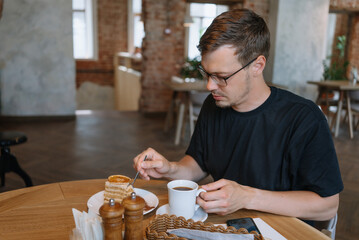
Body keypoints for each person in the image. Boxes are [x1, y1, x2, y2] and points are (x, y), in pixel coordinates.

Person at [133, 9, 343, 223]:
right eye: (206, 73)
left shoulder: (303, 118)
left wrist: (246, 197)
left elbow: (327, 206)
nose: (209, 85)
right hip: (225, 228)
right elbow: (199, 163)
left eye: (221, 77)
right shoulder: (213, 105)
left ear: (257, 66)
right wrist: (171, 168)